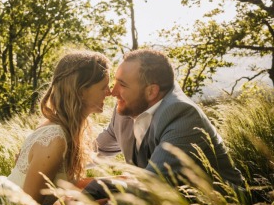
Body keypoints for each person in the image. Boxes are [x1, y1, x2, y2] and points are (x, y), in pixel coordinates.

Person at [96, 49, 244, 188]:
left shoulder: (183, 116)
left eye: (122, 84)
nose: (112, 92)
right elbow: (98, 149)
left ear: (151, 92)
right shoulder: (128, 108)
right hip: (159, 201)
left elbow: (152, 185)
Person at [7, 50, 112, 205]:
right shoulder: (54, 138)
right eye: (103, 87)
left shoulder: (69, 129)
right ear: (81, 91)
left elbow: (67, 184)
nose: (109, 92)